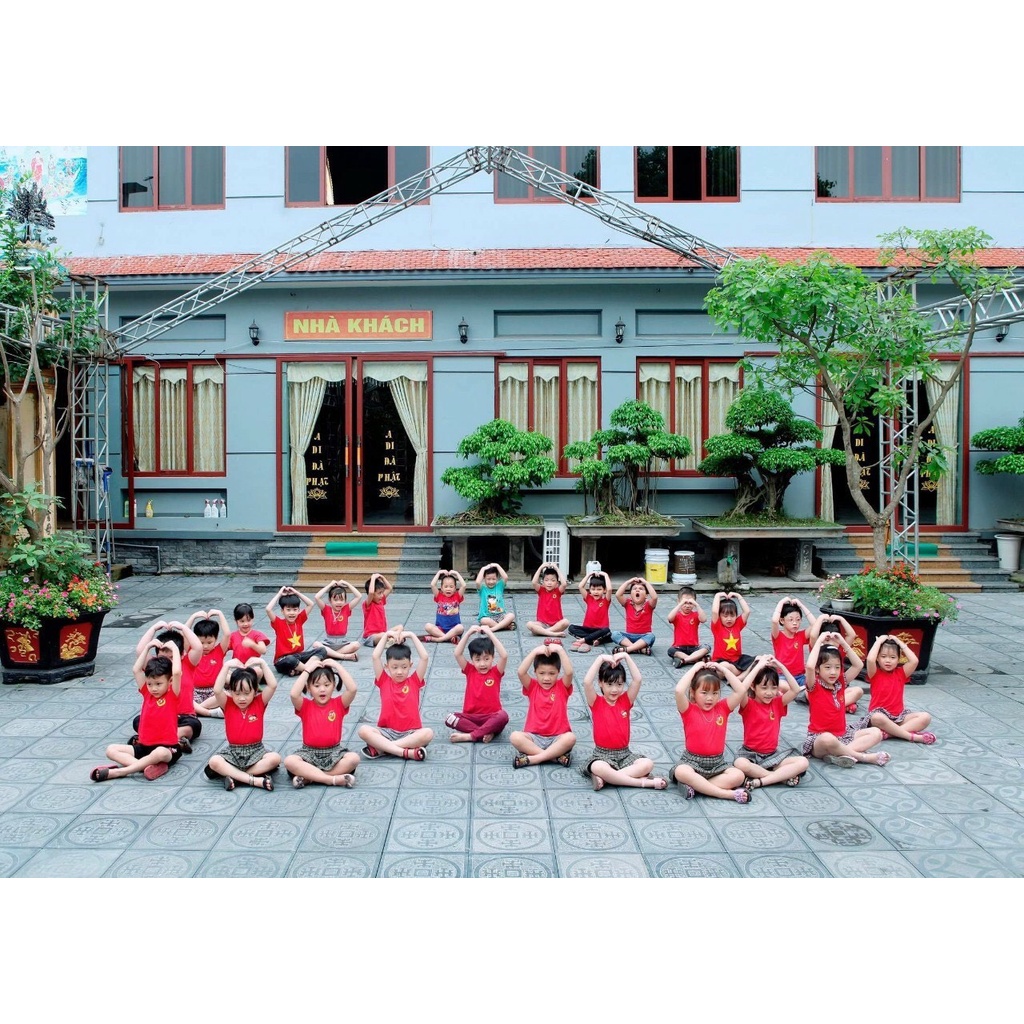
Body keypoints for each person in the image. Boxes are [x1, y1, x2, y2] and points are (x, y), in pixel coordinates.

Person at [90, 642, 185, 782]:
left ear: (169, 681)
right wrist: (147, 648)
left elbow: (176, 672)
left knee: (160, 753)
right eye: (150, 684)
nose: (154, 688)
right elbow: (136, 670)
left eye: (158, 684)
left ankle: (120, 772)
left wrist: (175, 649)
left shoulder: (172, 695)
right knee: (110, 749)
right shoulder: (147, 692)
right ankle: (146, 767)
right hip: (144, 747)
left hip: (168, 748)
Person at [580, 651, 666, 791]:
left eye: (619, 684)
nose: (615, 689)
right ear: (600, 683)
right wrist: (600, 658)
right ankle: (643, 783)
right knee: (598, 767)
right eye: (609, 684)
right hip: (602, 755)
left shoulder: (625, 700)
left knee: (647, 764)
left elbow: (637, 680)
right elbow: (586, 682)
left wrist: (626, 656)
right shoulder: (596, 702)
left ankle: (607, 779)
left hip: (625, 754)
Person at [803, 631, 890, 768]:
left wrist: (843, 643)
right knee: (827, 739)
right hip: (820, 740)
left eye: (837, 667)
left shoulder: (840, 683)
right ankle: (863, 757)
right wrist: (819, 641)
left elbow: (858, 665)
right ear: (817, 669)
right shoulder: (814, 685)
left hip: (844, 736)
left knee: (876, 733)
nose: (833, 672)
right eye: (827, 667)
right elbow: (809, 666)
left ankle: (841, 754)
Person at [670, 660, 751, 802]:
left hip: (717, 764)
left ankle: (697, 786)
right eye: (704, 692)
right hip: (692, 761)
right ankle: (726, 794)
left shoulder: (723, 708)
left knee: (738, 776)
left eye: (715, 693)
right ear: (693, 692)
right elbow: (678, 690)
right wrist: (694, 669)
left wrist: (723, 670)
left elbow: (741, 690)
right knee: (681, 771)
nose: (710, 698)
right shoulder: (688, 710)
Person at [733, 654, 811, 790]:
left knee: (803, 762)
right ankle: (779, 777)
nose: (769, 692)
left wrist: (780, 666)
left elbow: (795, 689)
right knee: (741, 764)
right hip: (750, 754)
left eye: (774, 688)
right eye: (764, 688)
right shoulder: (748, 704)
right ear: (753, 686)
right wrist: (758, 666)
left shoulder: (778, 703)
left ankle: (761, 780)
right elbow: (741, 689)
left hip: (773, 756)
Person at [204, 658, 281, 790]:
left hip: (256, 750)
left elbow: (272, 685)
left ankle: (236, 777)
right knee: (214, 762)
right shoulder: (227, 703)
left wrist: (263, 664)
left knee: (275, 758)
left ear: (255, 691)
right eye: (237, 693)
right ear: (230, 691)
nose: (241, 698)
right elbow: (217, 690)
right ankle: (254, 780)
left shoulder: (259, 702)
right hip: (233, 751)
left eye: (246, 693)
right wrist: (226, 666)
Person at [283, 658, 360, 788]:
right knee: (290, 761)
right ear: (309, 688)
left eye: (327, 685)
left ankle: (310, 778)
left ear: (334, 685)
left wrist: (337, 665)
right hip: (309, 752)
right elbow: (294, 694)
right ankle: (332, 779)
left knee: (353, 759)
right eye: (317, 686)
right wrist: (307, 670)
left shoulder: (339, 704)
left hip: (334, 752)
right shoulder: (305, 705)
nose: (322, 689)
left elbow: (352, 689)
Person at [358, 628, 434, 759]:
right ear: (387, 666)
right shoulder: (383, 680)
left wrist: (411, 634)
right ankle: (405, 752)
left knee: (428, 733)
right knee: (363, 730)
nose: (399, 671)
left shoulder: (414, 681)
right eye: (394, 667)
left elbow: (425, 657)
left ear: (410, 665)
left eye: (404, 667)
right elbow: (375, 656)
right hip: (386, 732)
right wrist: (386, 635)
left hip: (410, 733)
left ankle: (383, 748)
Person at [133, 620, 201, 752]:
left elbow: (197, 647)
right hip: (159, 718)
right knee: (138, 721)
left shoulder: (187, 664)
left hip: (184, 717)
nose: (167, 661)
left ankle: (170, 739)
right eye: (163, 657)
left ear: (181, 655)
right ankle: (171, 742)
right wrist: (153, 628)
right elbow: (139, 652)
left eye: (172, 657)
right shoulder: (156, 668)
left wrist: (183, 627)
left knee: (193, 725)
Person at [510, 644, 576, 768]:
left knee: (570, 738)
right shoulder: (532, 686)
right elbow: (521, 672)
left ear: (558, 672)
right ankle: (555, 758)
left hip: (557, 738)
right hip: (534, 737)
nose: (546, 678)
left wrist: (560, 650)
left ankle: (534, 758)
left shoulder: (562, 686)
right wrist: (534, 651)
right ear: (535, 672)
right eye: (541, 673)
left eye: (552, 673)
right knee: (515, 737)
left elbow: (569, 672)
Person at [865, 634, 936, 743]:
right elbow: (870, 660)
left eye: (892, 657)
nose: (888, 661)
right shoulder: (874, 673)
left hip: (899, 718)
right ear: (877, 658)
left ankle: (889, 734)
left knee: (925, 717)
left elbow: (914, 661)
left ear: (899, 659)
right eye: (883, 656)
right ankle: (910, 736)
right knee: (876, 718)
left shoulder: (901, 673)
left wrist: (899, 642)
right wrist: (878, 642)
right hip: (881, 718)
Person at [447, 624, 510, 743]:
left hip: (491, 717)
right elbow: (457, 654)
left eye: (486, 659)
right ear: (472, 660)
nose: (482, 664)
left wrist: (490, 633)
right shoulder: (470, 670)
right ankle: (485, 733)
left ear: (493, 657)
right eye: (477, 660)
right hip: (470, 717)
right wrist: (468, 633)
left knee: (503, 716)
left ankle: (471, 736)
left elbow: (504, 655)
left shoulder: (496, 672)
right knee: (450, 718)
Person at [186, 609, 231, 718]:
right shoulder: (193, 651)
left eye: (209, 642)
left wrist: (220, 614)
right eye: (201, 642)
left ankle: (196, 710)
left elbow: (227, 634)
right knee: (184, 696)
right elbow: (184, 634)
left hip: (213, 691)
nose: (205, 646)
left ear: (216, 639)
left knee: (225, 695)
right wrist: (193, 616)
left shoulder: (219, 651)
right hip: (195, 691)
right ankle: (209, 712)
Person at [313, 579, 362, 661]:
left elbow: (359, 596)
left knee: (356, 644)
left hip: (343, 643)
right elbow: (317, 597)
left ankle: (330, 655)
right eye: (335, 600)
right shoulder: (326, 609)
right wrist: (330, 585)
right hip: (328, 643)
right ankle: (343, 656)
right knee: (316, 644)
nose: (339, 602)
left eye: (341, 600)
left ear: (345, 601)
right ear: (330, 600)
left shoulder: (346, 609)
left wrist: (347, 584)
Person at [610, 575, 658, 656]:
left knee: (651, 636)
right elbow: (618, 594)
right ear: (630, 595)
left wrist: (646, 583)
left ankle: (628, 649)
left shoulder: (649, 605)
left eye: (641, 589)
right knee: (614, 634)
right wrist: (628, 582)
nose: (637, 590)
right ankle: (639, 649)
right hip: (629, 637)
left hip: (643, 637)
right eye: (634, 589)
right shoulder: (627, 603)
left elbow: (655, 597)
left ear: (646, 595)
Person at [567, 569, 613, 653]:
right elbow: (580, 586)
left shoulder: (605, 601)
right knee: (571, 628)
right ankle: (593, 639)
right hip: (587, 629)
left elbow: (610, 589)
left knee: (607, 631)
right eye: (593, 589)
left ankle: (584, 640)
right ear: (590, 590)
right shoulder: (589, 598)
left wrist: (605, 575)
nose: (596, 592)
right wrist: (589, 575)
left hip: (600, 630)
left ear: (604, 590)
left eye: (599, 589)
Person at [710, 590, 754, 673]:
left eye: (732, 615)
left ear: (736, 615)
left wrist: (738, 596)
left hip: (737, 660)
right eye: (725, 616)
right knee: (724, 666)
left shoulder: (738, 624)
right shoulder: (717, 626)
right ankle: (740, 674)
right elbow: (714, 611)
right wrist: (717, 596)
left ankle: (737, 674)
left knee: (758, 661)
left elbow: (747, 611)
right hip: (721, 661)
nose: (729, 619)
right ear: (719, 616)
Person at [666, 586, 710, 667]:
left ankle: (685, 660)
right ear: (679, 601)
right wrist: (680, 604)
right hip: (679, 647)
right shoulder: (677, 615)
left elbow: (704, 619)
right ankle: (697, 660)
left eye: (690, 603)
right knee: (671, 650)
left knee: (707, 647)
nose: (687, 605)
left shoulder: (696, 615)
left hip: (694, 648)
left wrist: (697, 605)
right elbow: (669, 618)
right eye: (685, 603)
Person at [527, 561, 569, 641]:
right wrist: (540, 568)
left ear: (557, 583)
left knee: (566, 622)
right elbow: (534, 582)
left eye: (553, 580)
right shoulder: (541, 590)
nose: (549, 583)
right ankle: (552, 633)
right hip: (542, 624)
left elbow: (564, 584)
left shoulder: (557, 591)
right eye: (546, 580)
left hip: (556, 624)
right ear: (543, 582)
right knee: (529, 624)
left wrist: (557, 569)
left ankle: (543, 632)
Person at [424, 569, 467, 643]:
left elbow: (464, 585)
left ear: (455, 588)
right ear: (441, 588)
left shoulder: (457, 596)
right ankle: (449, 638)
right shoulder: (439, 596)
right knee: (427, 626)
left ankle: (439, 639)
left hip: (454, 628)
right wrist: (439, 573)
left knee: (460, 628)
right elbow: (432, 585)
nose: (448, 589)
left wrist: (457, 573)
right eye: (446, 586)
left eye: (451, 586)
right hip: (440, 629)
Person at [475, 562, 515, 631]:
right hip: (487, 616)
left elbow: (505, 577)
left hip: (500, 615)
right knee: (483, 620)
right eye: (488, 579)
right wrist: (483, 569)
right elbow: (478, 582)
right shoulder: (483, 589)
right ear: (484, 578)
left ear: (497, 578)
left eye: (493, 579)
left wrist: (497, 565)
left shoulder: (499, 586)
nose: (491, 582)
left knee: (511, 615)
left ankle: (493, 628)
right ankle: (504, 626)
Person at [361, 572, 393, 647]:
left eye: (382, 592)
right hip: (370, 637)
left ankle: (391, 640)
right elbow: (371, 592)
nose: (382, 595)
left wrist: (382, 578)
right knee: (385, 635)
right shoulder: (368, 604)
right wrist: (373, 578)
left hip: (383, 634)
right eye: (379, 593)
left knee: (400, 627)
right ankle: (392, 640)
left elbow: (389, 588)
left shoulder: (381, 601)